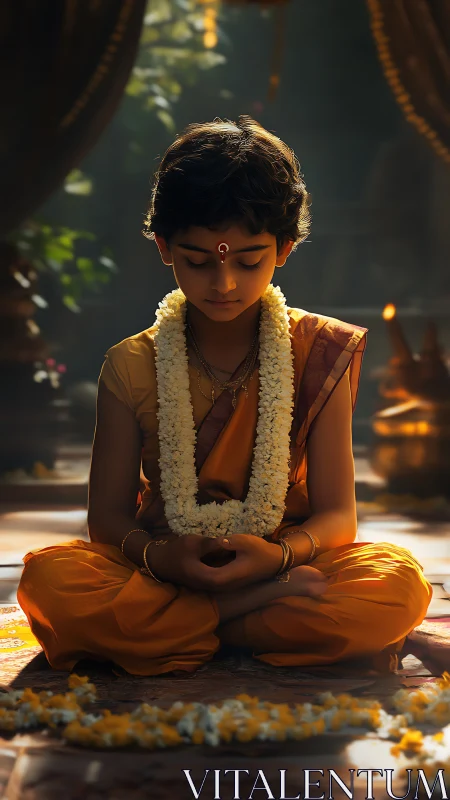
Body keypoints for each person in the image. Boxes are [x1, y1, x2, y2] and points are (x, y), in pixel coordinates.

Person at [17, 116, 432, 677]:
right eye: (198, 261)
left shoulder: (320, 351)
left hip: (282, 561)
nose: (224, 283)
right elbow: (108, 520)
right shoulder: (131, 364)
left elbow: (338, 515)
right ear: (164, 247)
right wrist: (165, 557)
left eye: (248, 260)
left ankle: (175, 629)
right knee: (50, 583)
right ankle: (241, 616)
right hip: (168, 567)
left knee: (397, 585)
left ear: (284, 249)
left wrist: (279, 556)